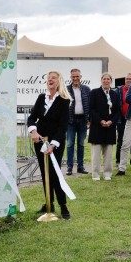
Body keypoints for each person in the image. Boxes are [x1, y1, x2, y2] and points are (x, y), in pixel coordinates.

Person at [28, 70, 73, 219]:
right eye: (48, 78)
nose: (50, 80)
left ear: (59, 81)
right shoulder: (41, 98)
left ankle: (63, 206)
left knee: (54, 173)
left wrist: (53, 144)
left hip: (55, 143)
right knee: (44, 172)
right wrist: (33, 131)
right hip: (40, 141)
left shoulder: (64, 100)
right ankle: (49, 203)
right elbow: (32, 118)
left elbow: (63, 126)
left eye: (53, 78)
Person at [88, 73, 120, 181]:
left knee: (108, 153)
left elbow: (117, 111)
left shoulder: (115, 94)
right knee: (96, 154)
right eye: (104, 79)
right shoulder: (94, 92)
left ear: (111, 81)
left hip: (110, 128)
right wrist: (100, 120)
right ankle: (95, 174)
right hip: (97, 127)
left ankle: (107, 174)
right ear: (101, 80)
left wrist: (111, 121)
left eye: (108, 79)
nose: (106, 81)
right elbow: (91, 109)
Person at [66, 68, 91, 175]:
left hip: (83, 120)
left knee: (81, 144)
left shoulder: (86, 89)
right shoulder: (66, 89)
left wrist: (89, 120)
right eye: (73, 76)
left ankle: (80, 167)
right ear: (70, 77)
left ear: (81, 77)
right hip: (70, 121)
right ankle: (69, 167)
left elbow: (90, 106)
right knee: (70, 144)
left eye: (77, 76)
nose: (75, 78)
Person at [115, 73, 131, 169]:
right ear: (124, 80)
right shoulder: (119, 90)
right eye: (127, 79)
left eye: (130, 79)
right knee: (121, 141)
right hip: (122, 119)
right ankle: (118, 161)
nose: (128, 80)